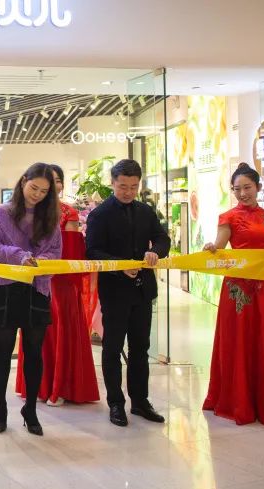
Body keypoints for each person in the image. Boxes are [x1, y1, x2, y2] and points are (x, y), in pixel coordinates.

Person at [202, 163, 264, 426]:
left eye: (247, 187)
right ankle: (238, 400)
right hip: (238, 287)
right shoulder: (228, 217)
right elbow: (220, 247)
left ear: (258, 187)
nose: (242, 193)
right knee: (240, 338)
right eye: (237, 189)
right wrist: (212, 248)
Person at [86, 159, 171, 427]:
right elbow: (92, 252)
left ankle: (140, 401)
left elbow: (163, 239)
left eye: (133, 187)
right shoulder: (99, 215)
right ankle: (115, 403)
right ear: (112, 183)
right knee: (112, 348)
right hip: (114, 292)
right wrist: (119, 267)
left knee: (140, 348)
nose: (128, 192)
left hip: (143, 291)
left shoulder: (146, 211)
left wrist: (155, 251)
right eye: (123, 186)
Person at [0, 163, 62, 436]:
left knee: (33, 352)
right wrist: (20, 256)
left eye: (44, 191)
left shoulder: (51, 217)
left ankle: (30, 408)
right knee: (3, 351)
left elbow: (57, 252)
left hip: (37, 289)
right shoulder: (2, 212)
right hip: (6, 288)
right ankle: (0, 406)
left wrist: (41, 261)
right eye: (34, 188)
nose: (37, 194)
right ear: (23, 182)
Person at [25, 164, 100, 407]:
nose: (53, 186)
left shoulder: (69, 212)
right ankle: (38, 386)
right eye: (50, 181)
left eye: (58, 181)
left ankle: (61, 386)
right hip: (34, 279)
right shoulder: (28, 211)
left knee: (60, 328)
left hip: (61, 283)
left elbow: (71, 251)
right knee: (36, 332)